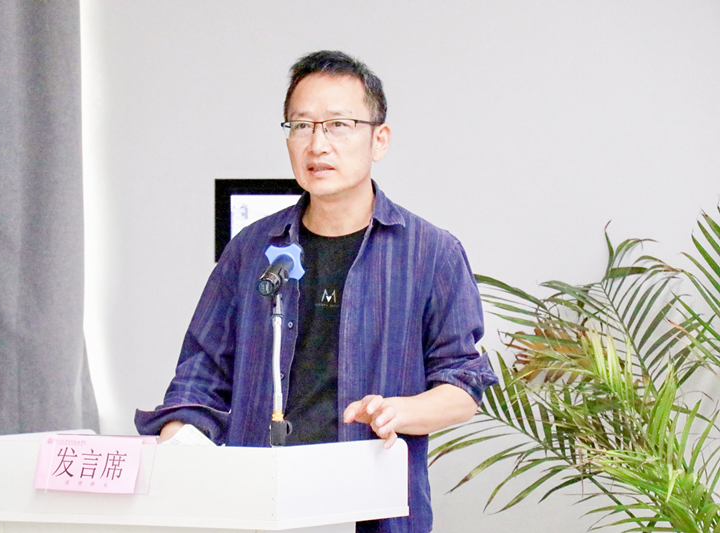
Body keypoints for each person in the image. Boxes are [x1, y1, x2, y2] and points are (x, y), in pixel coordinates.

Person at [135, 50, 498, 533]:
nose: (317, 144)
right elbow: (199, 377)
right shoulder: (251, 248)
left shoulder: (431, 252)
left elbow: (464, 385)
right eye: (302, 126)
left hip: (375, 511)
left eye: (338, 125)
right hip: (260, 508)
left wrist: (399, 410)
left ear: (379, 139)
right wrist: (180, 443)